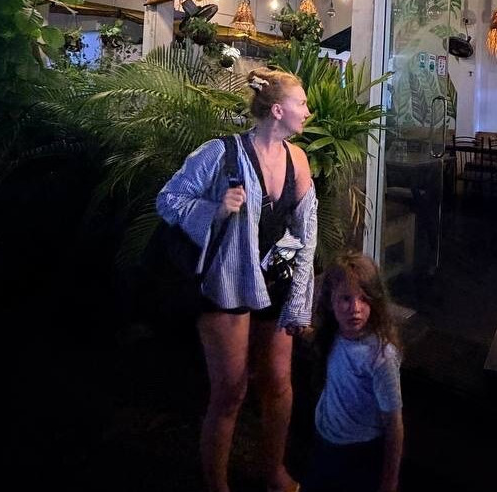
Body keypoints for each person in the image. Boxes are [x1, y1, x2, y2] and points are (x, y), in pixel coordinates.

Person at [156, 67, 316, 492]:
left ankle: (273, 471)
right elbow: (168, 199)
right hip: (227, 284)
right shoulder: (220, 153)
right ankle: (217, 484)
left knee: (278, 384)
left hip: (275, 282)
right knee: (230, 391)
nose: (307, 111)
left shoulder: (298, 160)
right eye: (301, 103)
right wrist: (215, 210)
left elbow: (307, 232)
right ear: (278, 110)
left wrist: (300, 301)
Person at [303, 252, 403, 492]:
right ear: (331, 301)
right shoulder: (334, 334)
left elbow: (394, 424)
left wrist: (389, 483)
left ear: (375, 302)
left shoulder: (381, 356)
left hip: (358, 452)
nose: (355, 309)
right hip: (325, 440)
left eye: (364, 299)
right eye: (345, 298)